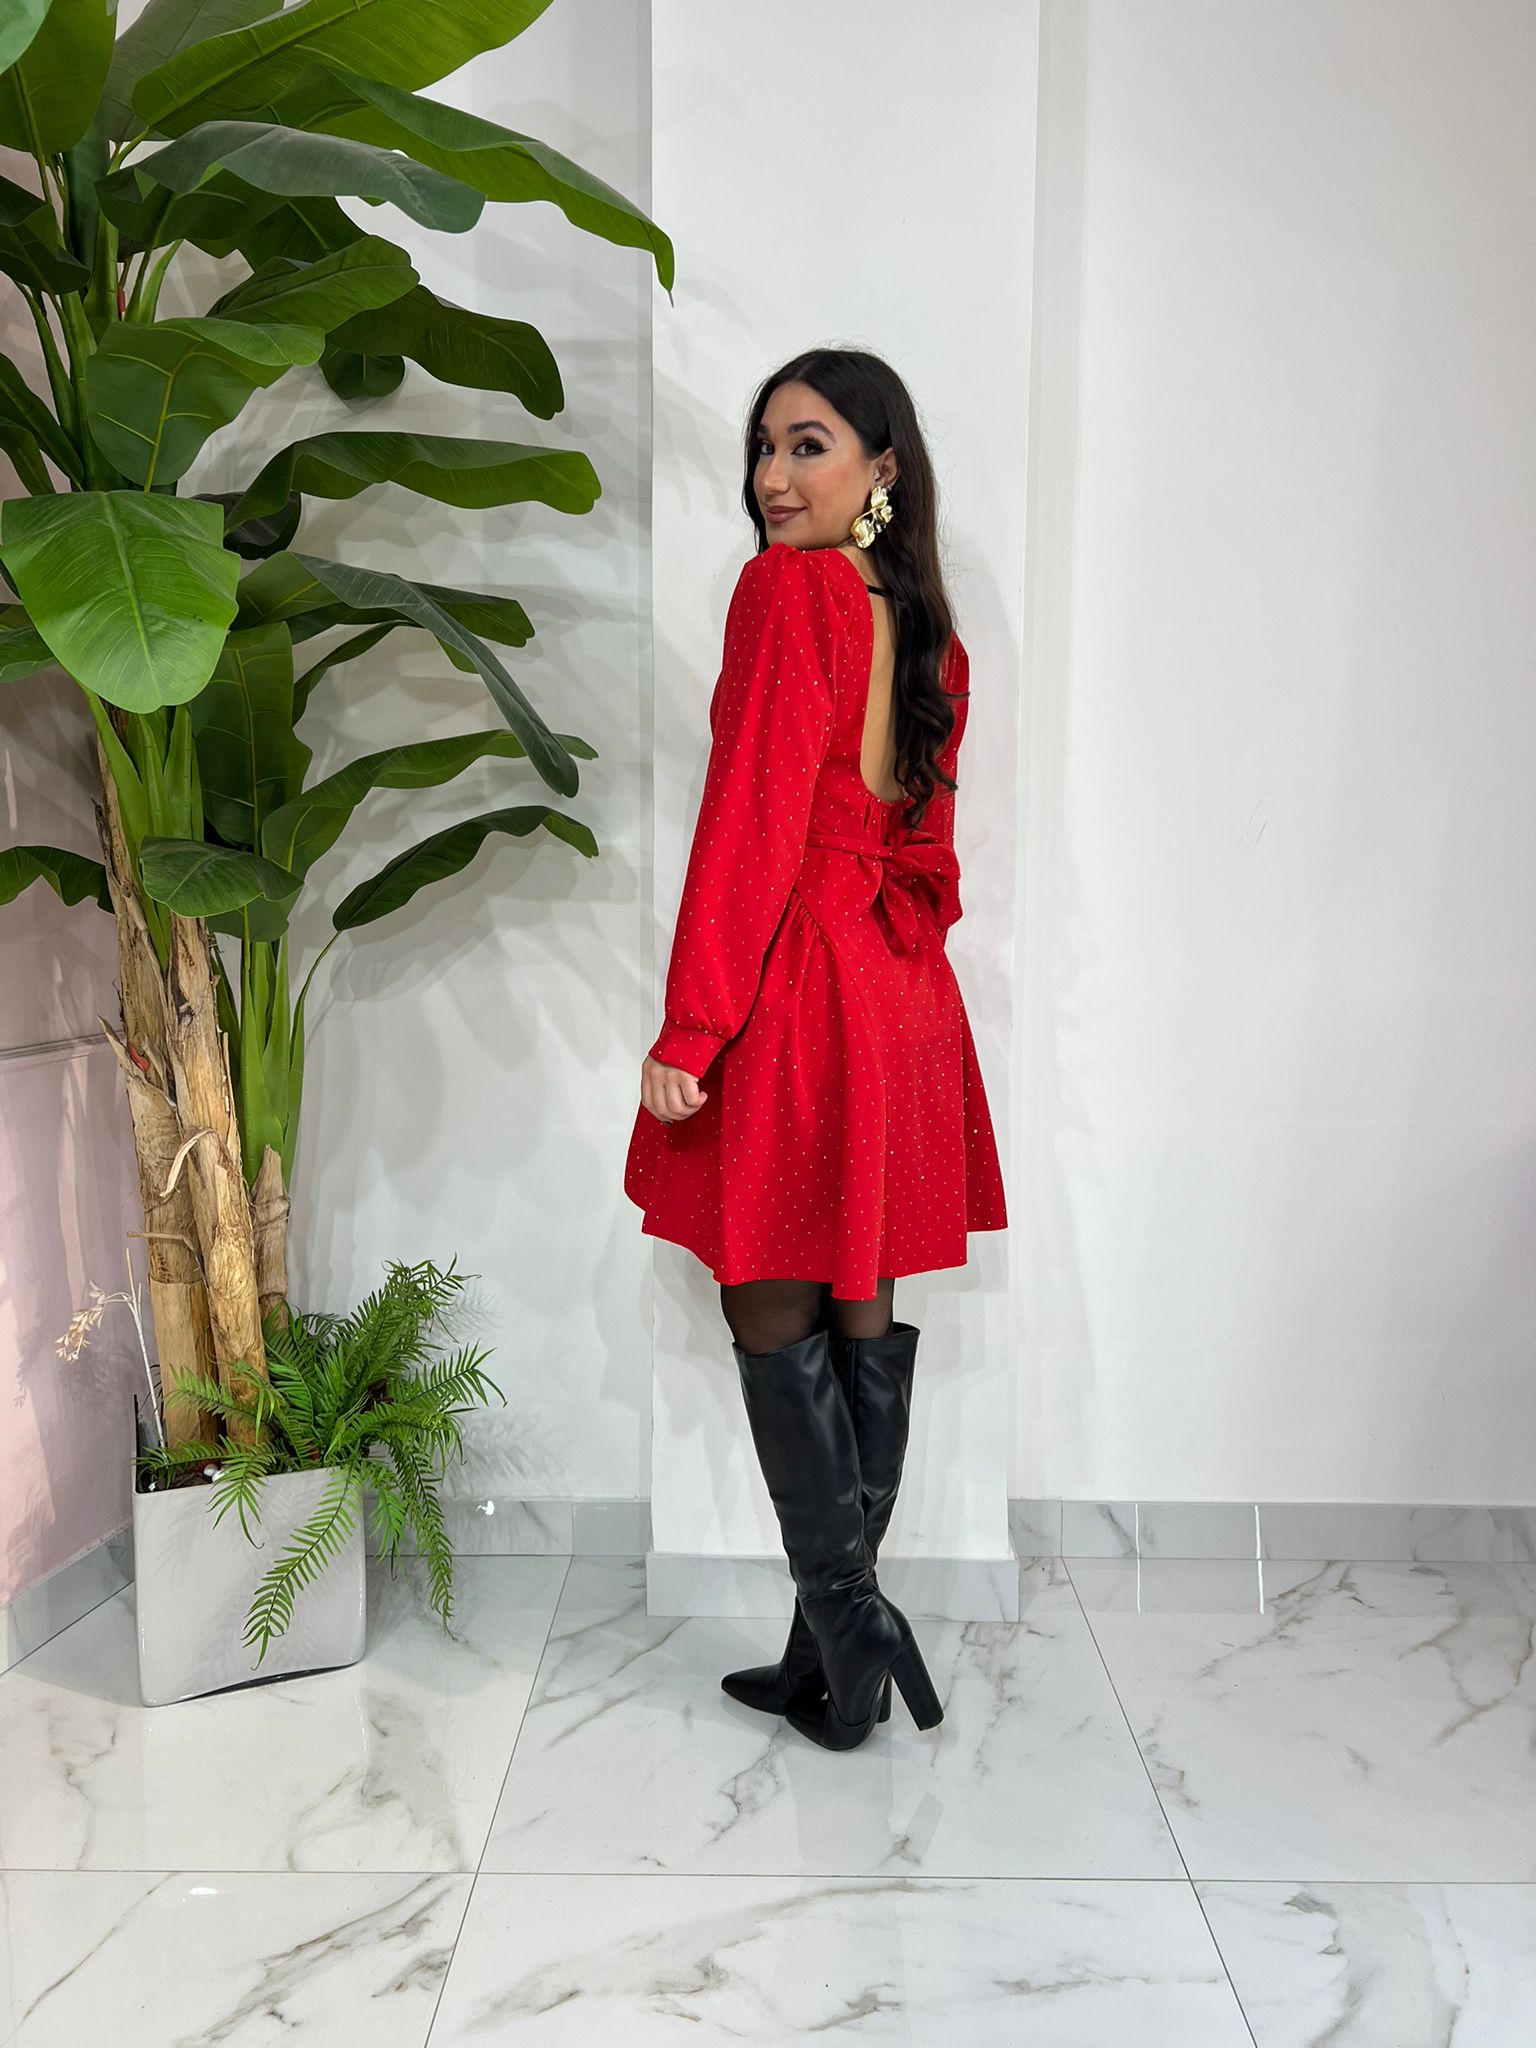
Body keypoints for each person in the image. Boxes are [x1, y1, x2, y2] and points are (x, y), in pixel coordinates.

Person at [623, 348, 1008, 1751]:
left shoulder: (789, 594)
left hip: (800, 977)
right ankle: (833, 1656)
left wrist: (695, 1022)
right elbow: (929, 844)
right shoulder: (931, 631)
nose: (773, 478)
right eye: (764, 448)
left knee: (771, 1301)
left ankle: (848, 1621)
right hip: (899, 989)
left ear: (880, 468)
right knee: (854, 1297)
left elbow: (752, 813)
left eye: (809, 445)